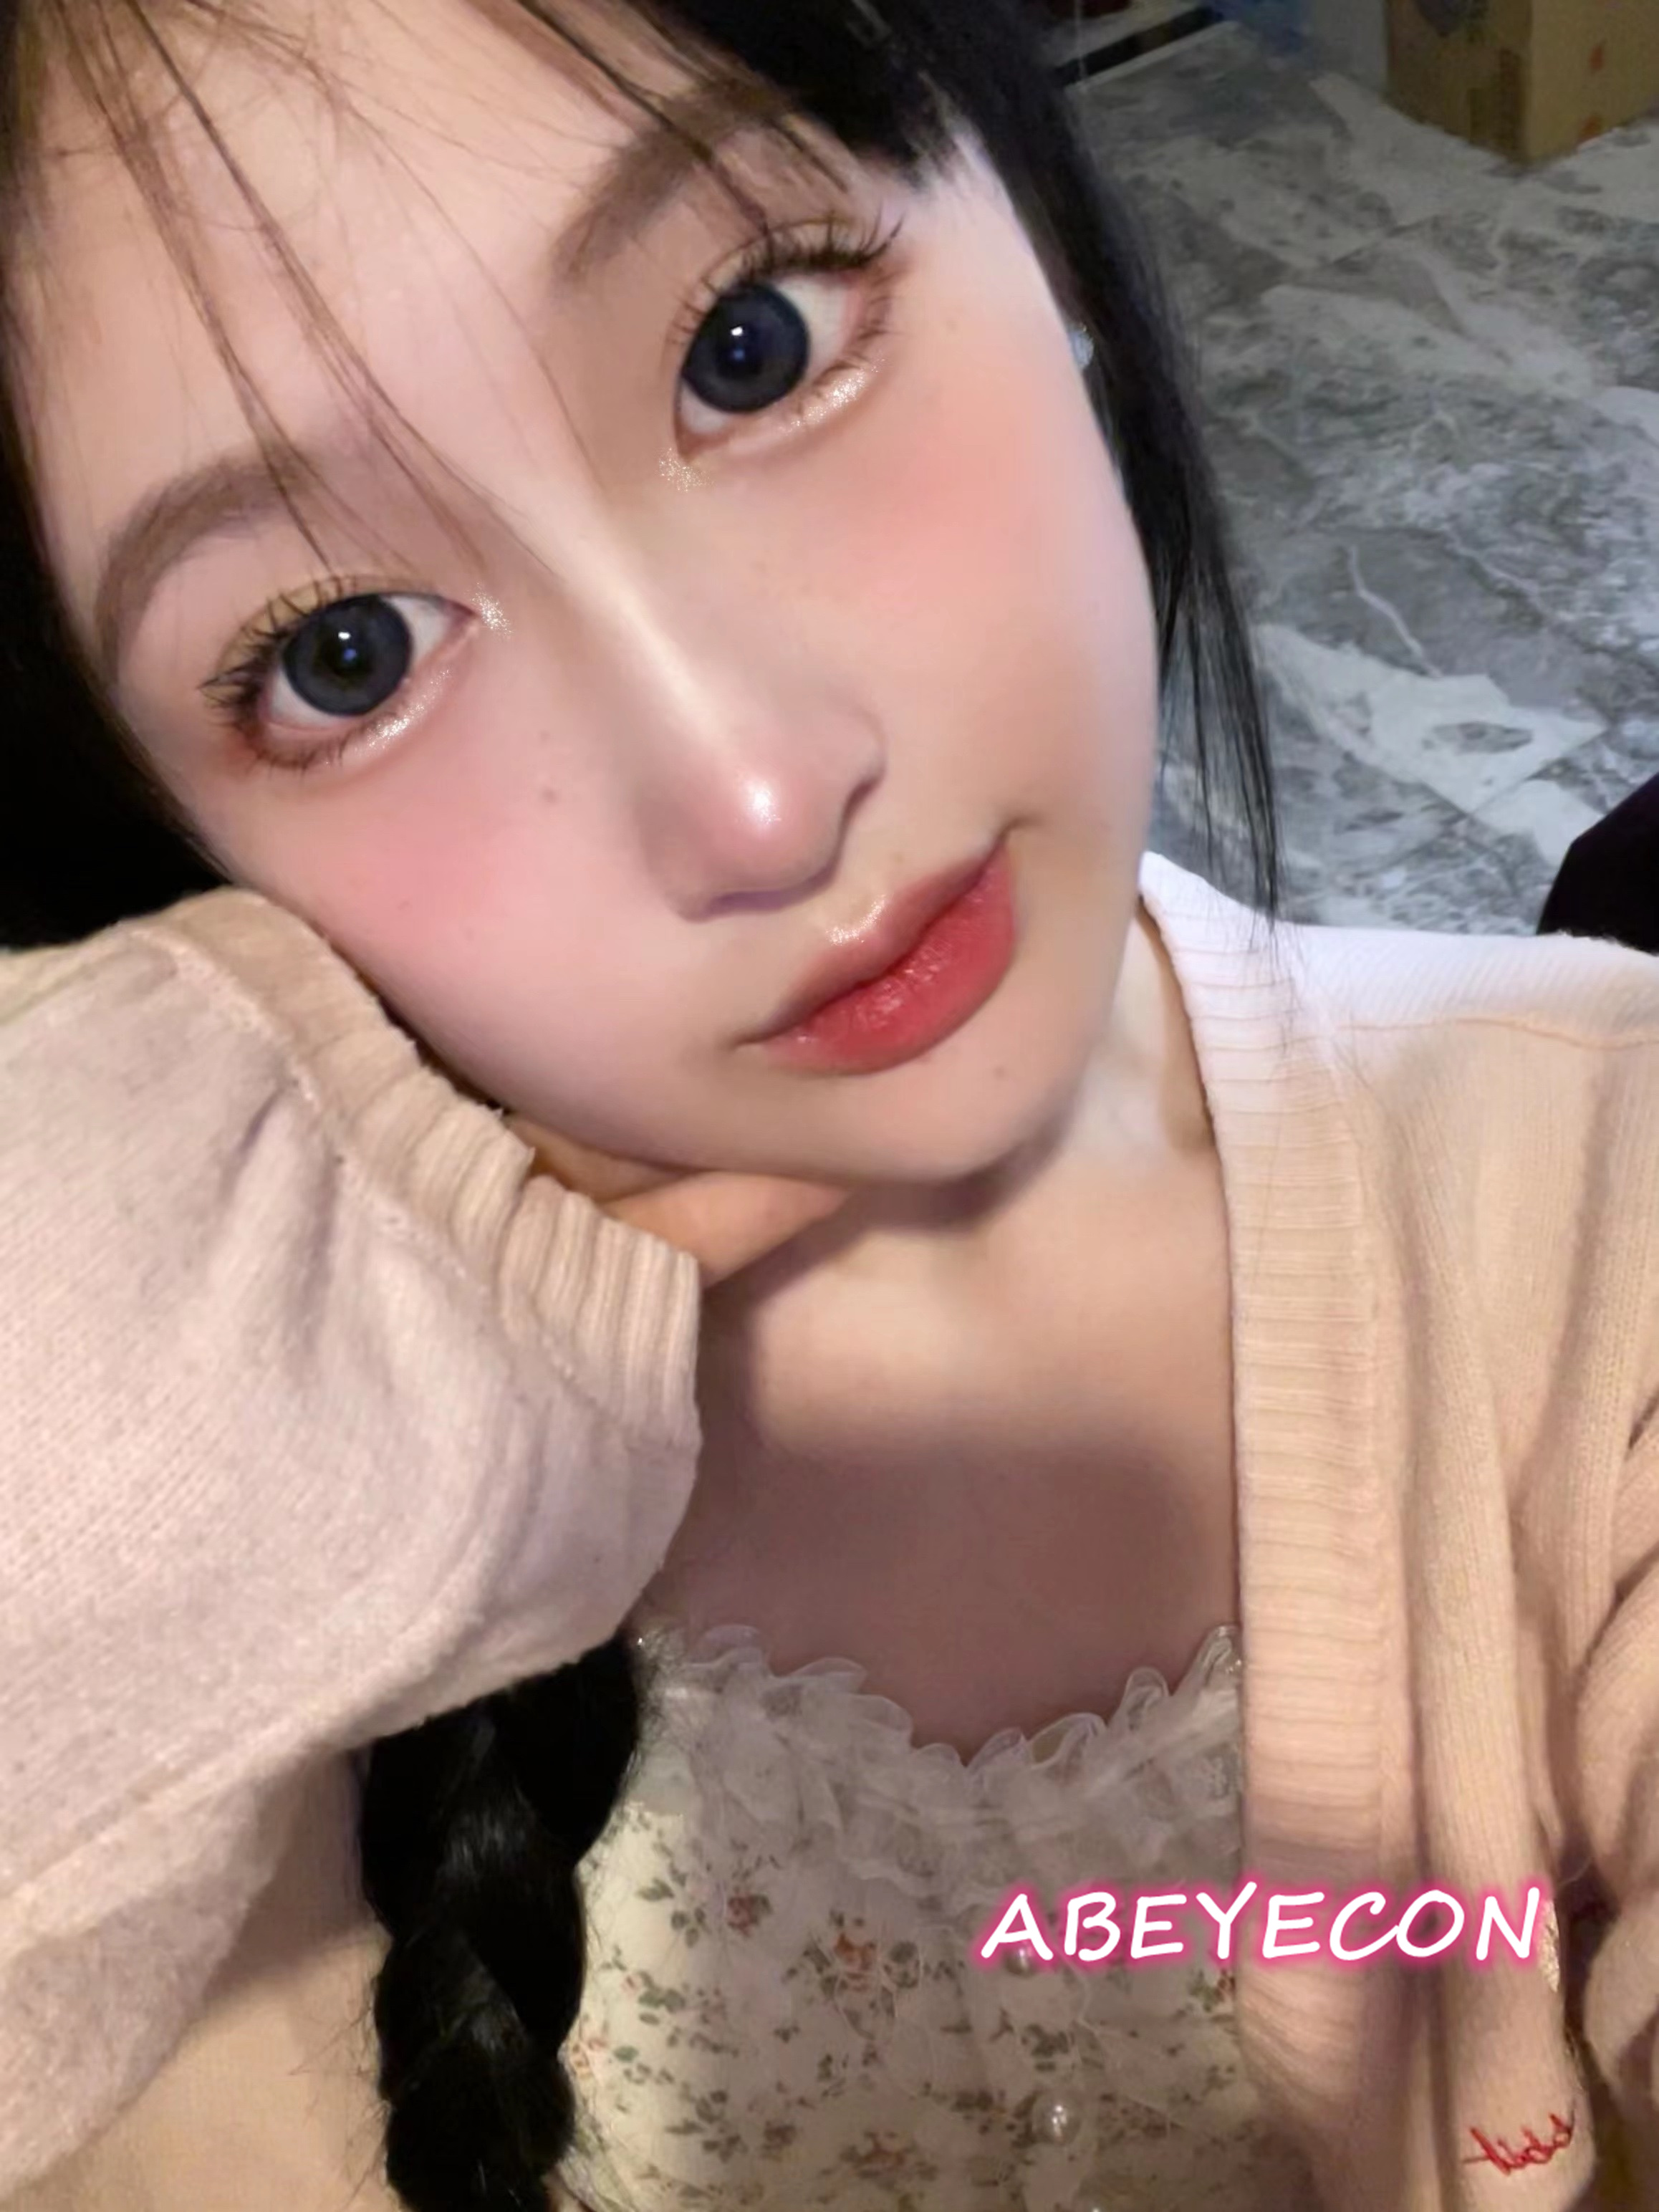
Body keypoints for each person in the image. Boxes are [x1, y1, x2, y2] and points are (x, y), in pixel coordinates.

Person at [1, 1, 1657, 2208]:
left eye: (751, 345)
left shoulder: (1594, 1186)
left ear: (1038, 226)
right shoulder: (153, 1510)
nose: (758, 798)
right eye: (344, 655)